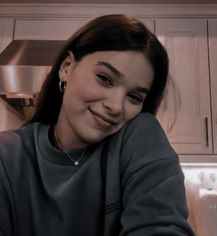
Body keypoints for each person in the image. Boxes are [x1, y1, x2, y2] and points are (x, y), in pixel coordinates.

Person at [0, 14, 195, 236]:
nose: (116, 106)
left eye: (134, 97)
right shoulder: (7, 156)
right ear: (66, 67)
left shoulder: (140, 137)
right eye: (105, 78)